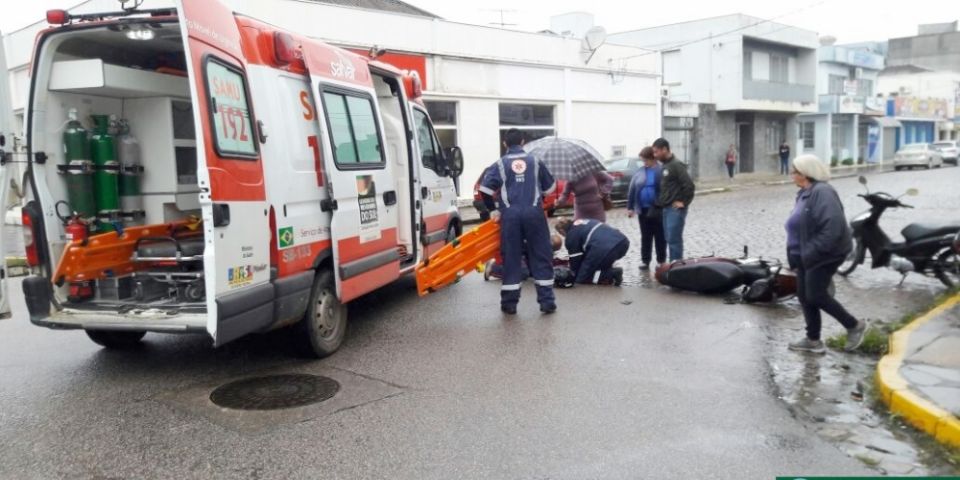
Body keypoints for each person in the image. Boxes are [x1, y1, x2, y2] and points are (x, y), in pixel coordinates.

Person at [785, 154, 867, 354]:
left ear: (805, 173)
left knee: (816, 295)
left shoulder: (823, 192)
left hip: (823, 254)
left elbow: (833, 229)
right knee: (805, 296)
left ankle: (854, 325)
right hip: (804, 254)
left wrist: (811, 252)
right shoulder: (805, 193)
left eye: (794, 171)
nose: (791, 175)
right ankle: (813, 340)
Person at [479, 128, 558, 315]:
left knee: (512, 257)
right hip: (534, 214)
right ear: (523, 141)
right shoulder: (536, 161)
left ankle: (509, 304)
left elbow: (485, 189)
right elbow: (550, 188)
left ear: (505, 144)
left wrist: (492, 210)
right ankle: (547, 302)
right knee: (541, 255)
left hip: (510, 216)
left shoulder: (499, 164)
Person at [652, 138, 695, 262]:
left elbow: (689, 185)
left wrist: (683, 202)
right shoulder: (665, 165)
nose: (655, 155)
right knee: (669, 238)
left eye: (656, 152)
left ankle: (676, 266)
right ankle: (673, 265)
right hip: (666, 208)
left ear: (665, 149)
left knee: (674, 239)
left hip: (675, 209)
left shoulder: (676, 165)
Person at [555, 218, 629, 286]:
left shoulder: (571, 236)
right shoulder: (584, 221)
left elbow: (575, 261)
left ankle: (611, 274)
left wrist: (573, 275)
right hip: (622, 242)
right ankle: (608, 275)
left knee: (582, 277)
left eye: (561, 234)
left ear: (561, 231)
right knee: (595, 265)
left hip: (604, 249)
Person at [626, 147, 665, 270]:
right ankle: (645, 260)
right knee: (646, 236)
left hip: (658, 208)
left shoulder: (661, 170)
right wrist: (630, 207)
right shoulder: (640, 171)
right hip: (643, 209)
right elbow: (632, 189)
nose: (644, 163)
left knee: (660, 235)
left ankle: (661, 260)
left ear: (652, 158)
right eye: (643, 160)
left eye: (646, 160)